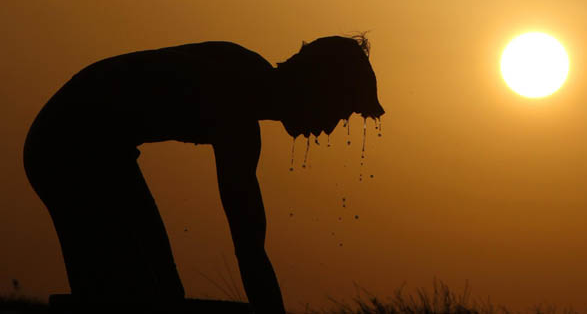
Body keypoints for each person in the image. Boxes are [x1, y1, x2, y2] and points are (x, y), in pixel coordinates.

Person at [22, 34, 384, 313]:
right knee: (125, 296)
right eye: (340, 111)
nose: (333, 128)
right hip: (68, 145)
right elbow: (248, 242)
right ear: (317, 89)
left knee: (159, 292)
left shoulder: (245, 81)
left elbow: (249, 238)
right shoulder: (238, 94)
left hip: (101, 151)